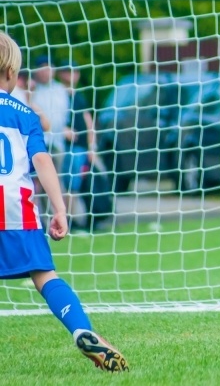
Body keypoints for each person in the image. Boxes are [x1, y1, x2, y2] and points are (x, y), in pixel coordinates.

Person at [0, 33, 127, 371]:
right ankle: (81, 329)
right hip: (16, 209)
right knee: (45, 275)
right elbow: (42, 161)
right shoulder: (26, 114)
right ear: (12, 72)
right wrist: (59, 208)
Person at [56, 62, 100, 232]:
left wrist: (91, 146)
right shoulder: (57, 95)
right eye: (68, 71)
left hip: (80, 147)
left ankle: (72, 218)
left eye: (75, 71)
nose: (72, 74)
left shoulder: (79, 96)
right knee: (66, 184)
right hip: (65, 146)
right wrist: (62, 129)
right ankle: (66, 218)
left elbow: (88, 120)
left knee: (75, 184)